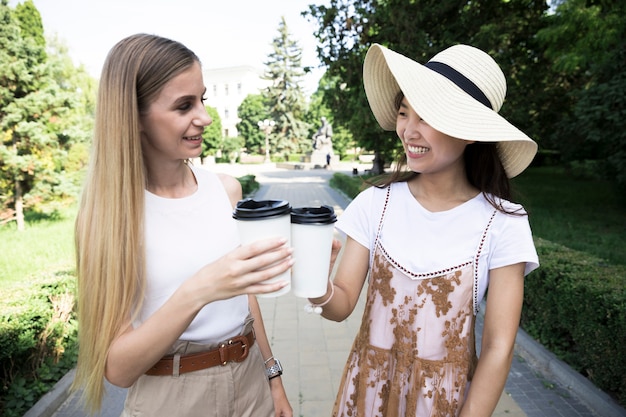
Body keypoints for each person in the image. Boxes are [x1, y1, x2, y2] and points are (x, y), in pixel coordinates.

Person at [308, 43, 539, 417]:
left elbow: (499, 346)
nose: (409, 131)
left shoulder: (503, 223)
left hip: (445, 404)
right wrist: (314, 280)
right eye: (404, 113)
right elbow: (341, 305)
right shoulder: (374, 203)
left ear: (471, 133)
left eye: (427, 117)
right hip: (366, 396)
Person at [72, 34, 293, 417]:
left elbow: (247, 296)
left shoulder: (225, 190)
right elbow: (117, 370)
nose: (205, 117)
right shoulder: (107, 219)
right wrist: (200, 290)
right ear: (134, 118)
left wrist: (273, 378)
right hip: (172, 397)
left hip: (250, 380)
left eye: (203, 98)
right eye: (183, 105)